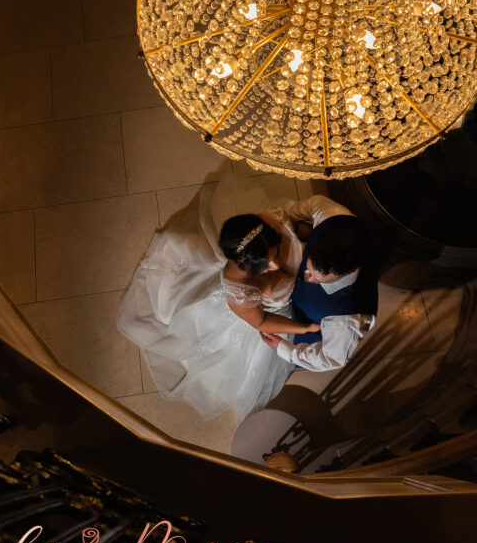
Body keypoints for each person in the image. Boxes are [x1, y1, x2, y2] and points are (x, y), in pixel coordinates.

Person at [117, 169, 318, 422]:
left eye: (275, 255)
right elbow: (262, 322)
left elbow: (300, 228)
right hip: (268, 316)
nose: (277, 267)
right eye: (266, 267)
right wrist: (303, 328)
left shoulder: (269, 222)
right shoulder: (239, 290)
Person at [259, 195, 378, 372]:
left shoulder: (348, 315)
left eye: (318, 278)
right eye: (310, 270)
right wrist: (295, 225)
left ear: (350, 272)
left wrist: (286, 350)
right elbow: (314, 203)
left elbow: (331, 358)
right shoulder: (334, 216)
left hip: (311, 331)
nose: (309, 278)